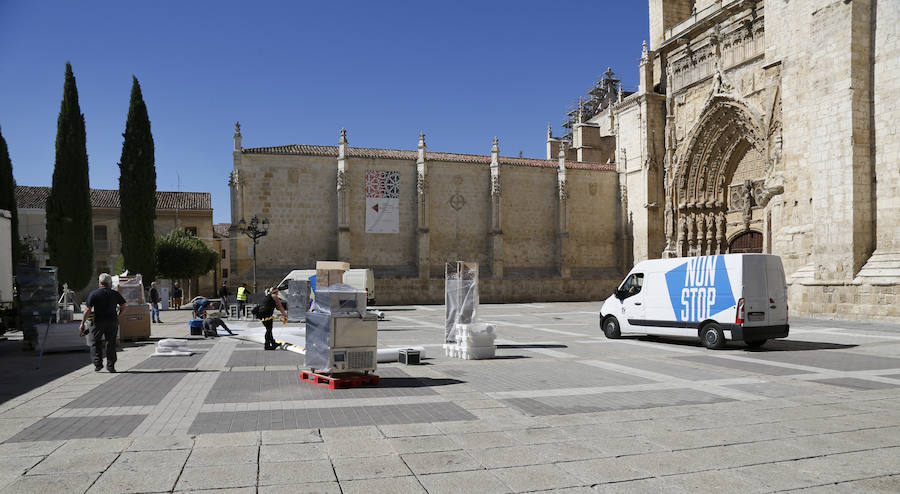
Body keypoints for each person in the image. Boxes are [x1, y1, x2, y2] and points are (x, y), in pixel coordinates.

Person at [79, 273, 127, 373]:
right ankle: (111, 366)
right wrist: (119, 314)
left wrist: (82, 323)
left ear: (100, 282)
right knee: (111, 343)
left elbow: (87, 309)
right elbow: (123, 305)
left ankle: (98, 364)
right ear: (109, 283)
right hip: (112, 321)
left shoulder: (94, 294)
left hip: (98, 322)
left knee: (95, 342)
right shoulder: (115, 294)